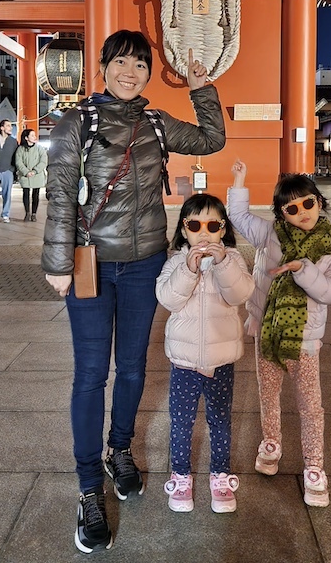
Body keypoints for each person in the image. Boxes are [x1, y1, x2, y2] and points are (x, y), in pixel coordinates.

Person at [42, 29, 225, 554]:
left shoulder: (154, 123)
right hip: (90, 265)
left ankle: (120, 450)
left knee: (135, 368)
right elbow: (59, 193)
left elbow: (212, 139)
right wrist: (58, 261)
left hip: (145, 264)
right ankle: (87, 488)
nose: (131, 71)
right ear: (103, 68)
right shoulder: (77, 121)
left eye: (140, 64)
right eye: (121, 62)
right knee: (91, 373)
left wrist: (201, 88)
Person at [228, 161, 331, 508]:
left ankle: (314, 466)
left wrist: (303, 271)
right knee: (269, 395)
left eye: (308, 203)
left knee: (310, 406)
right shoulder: (270, 235)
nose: (302, 212)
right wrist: (239, 180)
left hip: (305, 341)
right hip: (266, 333)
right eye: (291, 208)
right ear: (281, 214)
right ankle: (271, 443)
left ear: (319, 202)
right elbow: (238, 217)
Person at [156, 193, 254, 515]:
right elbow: (168, 299)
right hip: (184, 363)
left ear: (223, 229)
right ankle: (181, 475)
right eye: (194, 224)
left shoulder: (233, 261)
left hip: (220, 361)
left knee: (220, 420)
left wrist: (223, 263)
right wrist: (187, 269)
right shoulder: (175, 263)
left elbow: (240, 293)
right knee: (182, 422)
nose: (204, 232)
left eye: (213, 225)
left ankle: (220, 475)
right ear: (184, 229)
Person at [15, 129, 48, 221]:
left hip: (37, 175)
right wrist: (26, 172)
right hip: (25, 175)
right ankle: (27, 213)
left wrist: (35, 171)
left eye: (34, 135)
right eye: (32, 135)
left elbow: (43, 161)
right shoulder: (20, 149)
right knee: (25, 193)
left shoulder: (39, 148)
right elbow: (18, 162)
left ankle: (34, 214)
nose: (34, 137)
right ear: (26, 138)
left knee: (35, 194)